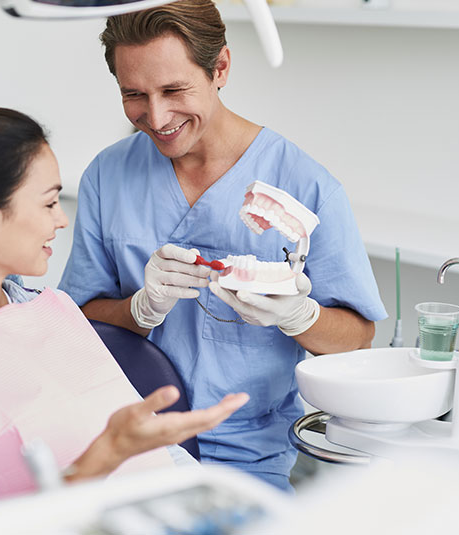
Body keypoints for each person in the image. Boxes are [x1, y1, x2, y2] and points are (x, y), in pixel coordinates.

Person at [56, 0, 387, 491]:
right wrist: (140, 310)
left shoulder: (304, 186)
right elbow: (78, 319)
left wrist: (301, 317)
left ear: (221, 68)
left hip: (247, 460)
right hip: (129, 450)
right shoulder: (108, 176)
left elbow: (358, 337)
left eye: (173, 90)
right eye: (134, 95)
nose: (156, 116)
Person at [0, 107, 248, 503]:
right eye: (49, 203)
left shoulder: (49, 310)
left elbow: (164, 460)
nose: (61, 220)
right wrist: (99, 462)